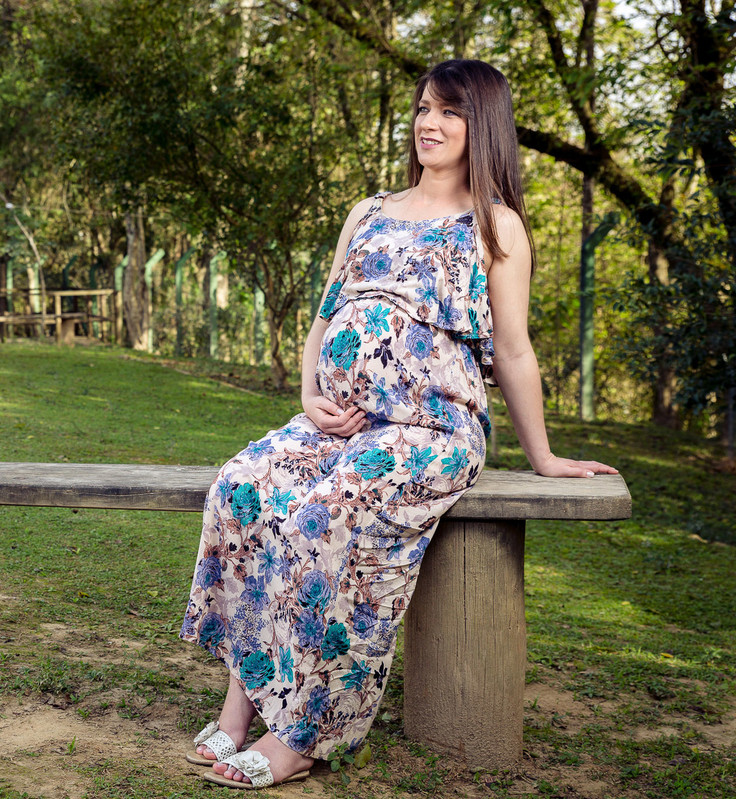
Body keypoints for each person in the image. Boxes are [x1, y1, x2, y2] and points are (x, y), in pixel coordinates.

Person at [178, 59, 618, 790]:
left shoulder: (496, 225)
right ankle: (240, 706)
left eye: (449, 111)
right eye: (423, 108)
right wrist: (309, 392)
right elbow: (324, 318)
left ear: (483, 126)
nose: (428, 123)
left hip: (429, 432)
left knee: (328, 514)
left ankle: (303, 733)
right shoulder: (368, 211)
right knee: (242, 487)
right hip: (340, 422)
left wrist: (543, 456)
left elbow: (513, 349)